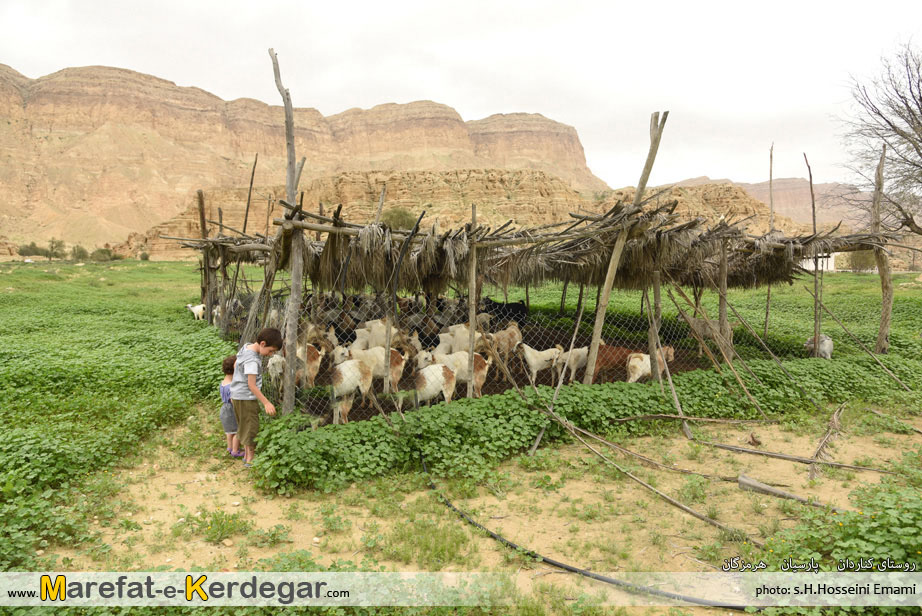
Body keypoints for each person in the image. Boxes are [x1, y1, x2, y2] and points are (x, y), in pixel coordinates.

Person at [230, 328, 283, 467]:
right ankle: (250, 461)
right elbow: (252, 385)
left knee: (245, 425)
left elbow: (236, 364)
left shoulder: (246, 347)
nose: (270, 354)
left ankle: (246, 456)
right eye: (271, 351)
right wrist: (266, 403)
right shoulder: (253, 360)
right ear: (263, 344)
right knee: (252, 428)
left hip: (237, 394)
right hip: (246, 398)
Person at [220, 355, 243, 457]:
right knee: (237, 431)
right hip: (231, 410)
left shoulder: (223, 382)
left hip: (224, 409)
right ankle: (235, 451)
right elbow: (234, 401)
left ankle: (229, 448)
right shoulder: (231, 386)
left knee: (229, 431)